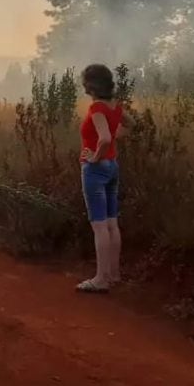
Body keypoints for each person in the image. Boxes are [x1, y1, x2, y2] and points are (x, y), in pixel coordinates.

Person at [77, 63, 135, 294]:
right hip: (112, 167)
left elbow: (103, 140)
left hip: (97, 170)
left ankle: (101, 278)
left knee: (99, 226)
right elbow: (132, 125)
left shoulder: (97, 108)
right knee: (112, 223)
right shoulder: (115, 106)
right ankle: (113, 274)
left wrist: (93, 158)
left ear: (91, 84)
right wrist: (113, 136)